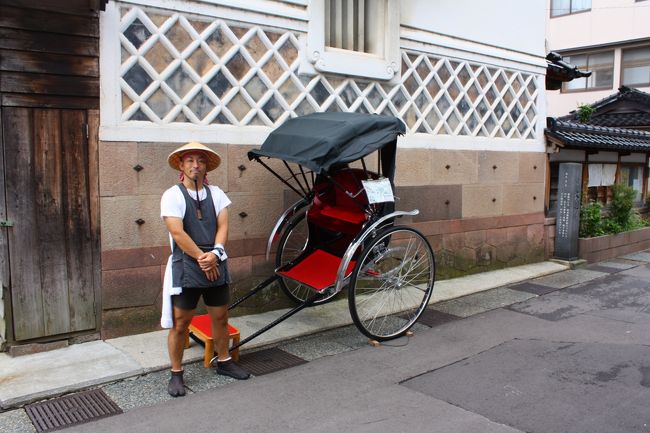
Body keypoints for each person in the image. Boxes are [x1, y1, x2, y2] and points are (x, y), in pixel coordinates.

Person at [160, 141, 250, 397]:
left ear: (206, 166)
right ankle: (176, 373)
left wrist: (215, 254)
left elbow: (223, 226)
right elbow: (177, 232)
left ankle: (224, 361)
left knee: (220, 317)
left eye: (199, 161)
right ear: (181, 165)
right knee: (181, 323)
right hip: (187, 263)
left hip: (216, 258)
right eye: (189, 160)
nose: (195, 165)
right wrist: (202, 257)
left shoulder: (217, 194)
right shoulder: (172, 195)